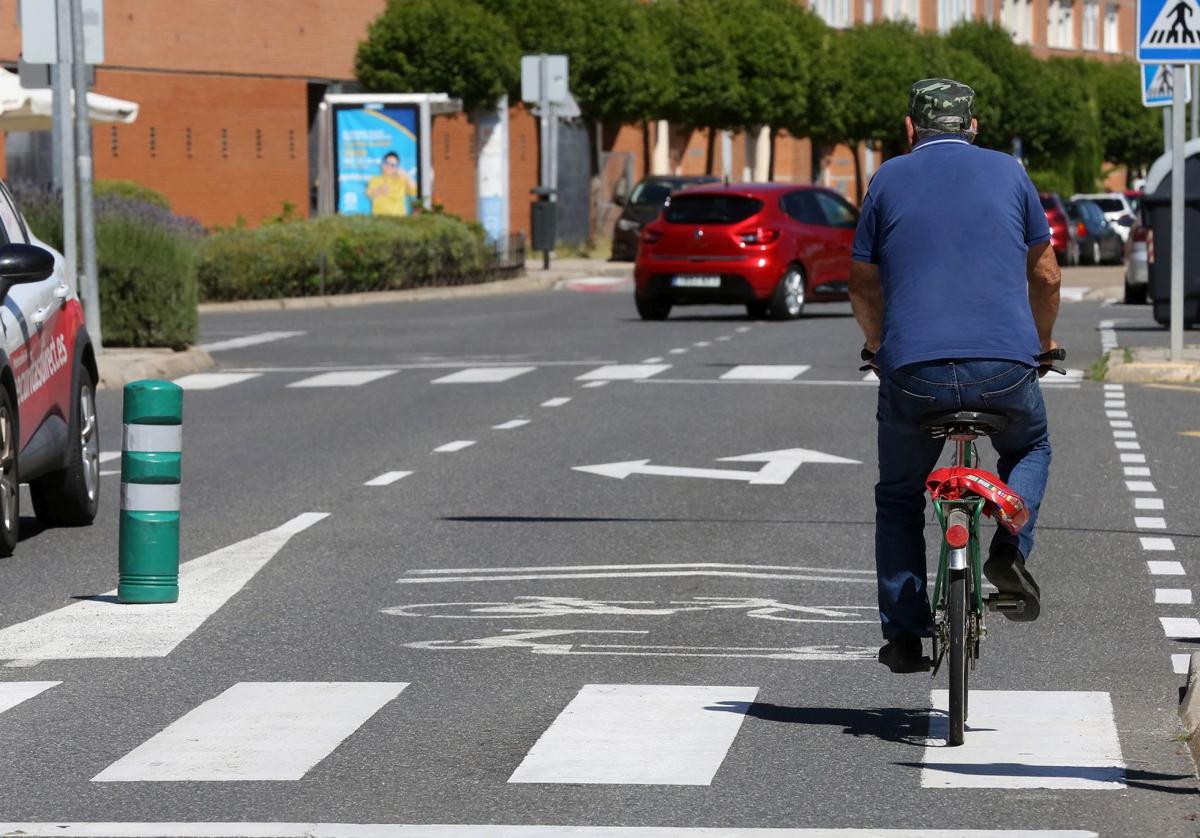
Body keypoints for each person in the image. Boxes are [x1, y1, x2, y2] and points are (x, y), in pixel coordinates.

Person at [848, 78, 1062, 674]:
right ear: (974, 127)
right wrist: (1042, 345)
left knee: (898, 495)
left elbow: (862, 281)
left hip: (913, 372)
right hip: (1003, 369)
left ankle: (904, 633)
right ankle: (1009, 548)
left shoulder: (887, 177)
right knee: (1031, 444)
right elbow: (1046, 276)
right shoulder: (1010, 172)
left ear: (910, 128)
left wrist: (876, 346)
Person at [366, 151, 418, 216]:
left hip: (398, 219)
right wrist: (380, 190)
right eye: (386, 163)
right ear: (382, 164)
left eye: (392, 165)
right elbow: (369, 194)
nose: (389, 166)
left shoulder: (401, 181)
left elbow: (415, 190)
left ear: (397, 167)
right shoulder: (375, 179)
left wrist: (406, 176)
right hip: (379, 218)